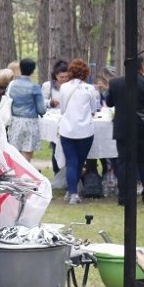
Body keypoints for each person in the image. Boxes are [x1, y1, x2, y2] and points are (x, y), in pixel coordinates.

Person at [108, 61, 144, 206]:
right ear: (142, 66)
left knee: (124, 162)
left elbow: (109, 103)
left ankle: (124, 197)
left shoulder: (115, 83)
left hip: (124, 129)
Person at [57, 59, 96, 204]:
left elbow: (62, 110)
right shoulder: (90, 89)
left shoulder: (64, 87)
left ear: (71, 72)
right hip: (85, 130)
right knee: (79, 162)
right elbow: (93, 109)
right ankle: (72, 191)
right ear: (86, 73)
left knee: (71, 162)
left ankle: (72, 192)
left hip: (67, 129)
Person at [7, 58, 47, 161]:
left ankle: (15, 174)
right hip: (30, 122)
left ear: (20, 68)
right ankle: (24, 175)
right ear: (33, 71)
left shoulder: (12, 85)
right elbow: (41, 110)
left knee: (15, 153)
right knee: (27, 153)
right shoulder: (35, 87)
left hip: (15, 121)